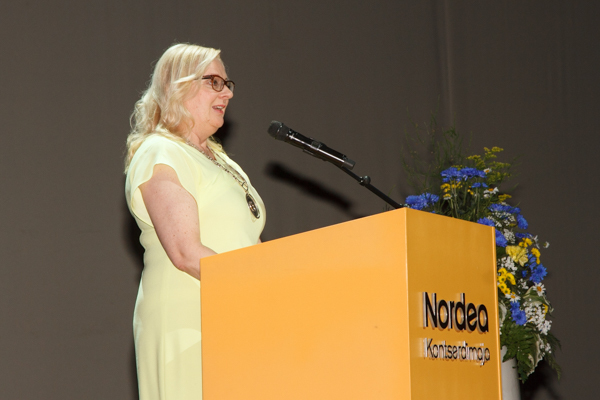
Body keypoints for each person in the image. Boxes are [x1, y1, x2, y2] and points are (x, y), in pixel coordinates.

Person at [124, 43, 265, 399]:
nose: (227, 93)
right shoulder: (161, 151)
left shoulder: (221, 160)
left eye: (228, 84)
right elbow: (186, 253)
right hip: (190, 323)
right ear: (178, 86)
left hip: (235, 312)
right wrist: (261, 285)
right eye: (214, 82)